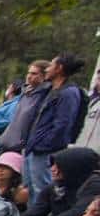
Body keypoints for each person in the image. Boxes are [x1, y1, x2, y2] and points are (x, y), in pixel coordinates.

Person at [9, 147, 99, 216]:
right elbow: (33, 214)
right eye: (52, 164)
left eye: (59, 166)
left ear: (74, 167)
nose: (53, 169)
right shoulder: (54, 189)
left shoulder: (94, 185)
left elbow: (79, 211)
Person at [26, 54, 87, 203]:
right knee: (31, 188)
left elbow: (63, 124)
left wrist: (44, 145)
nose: (47, 69)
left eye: (51, 65)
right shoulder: (52, 90)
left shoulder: (68, 93)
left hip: (46, 151)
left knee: (43, 190)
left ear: (59, 68)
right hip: (35, 147)